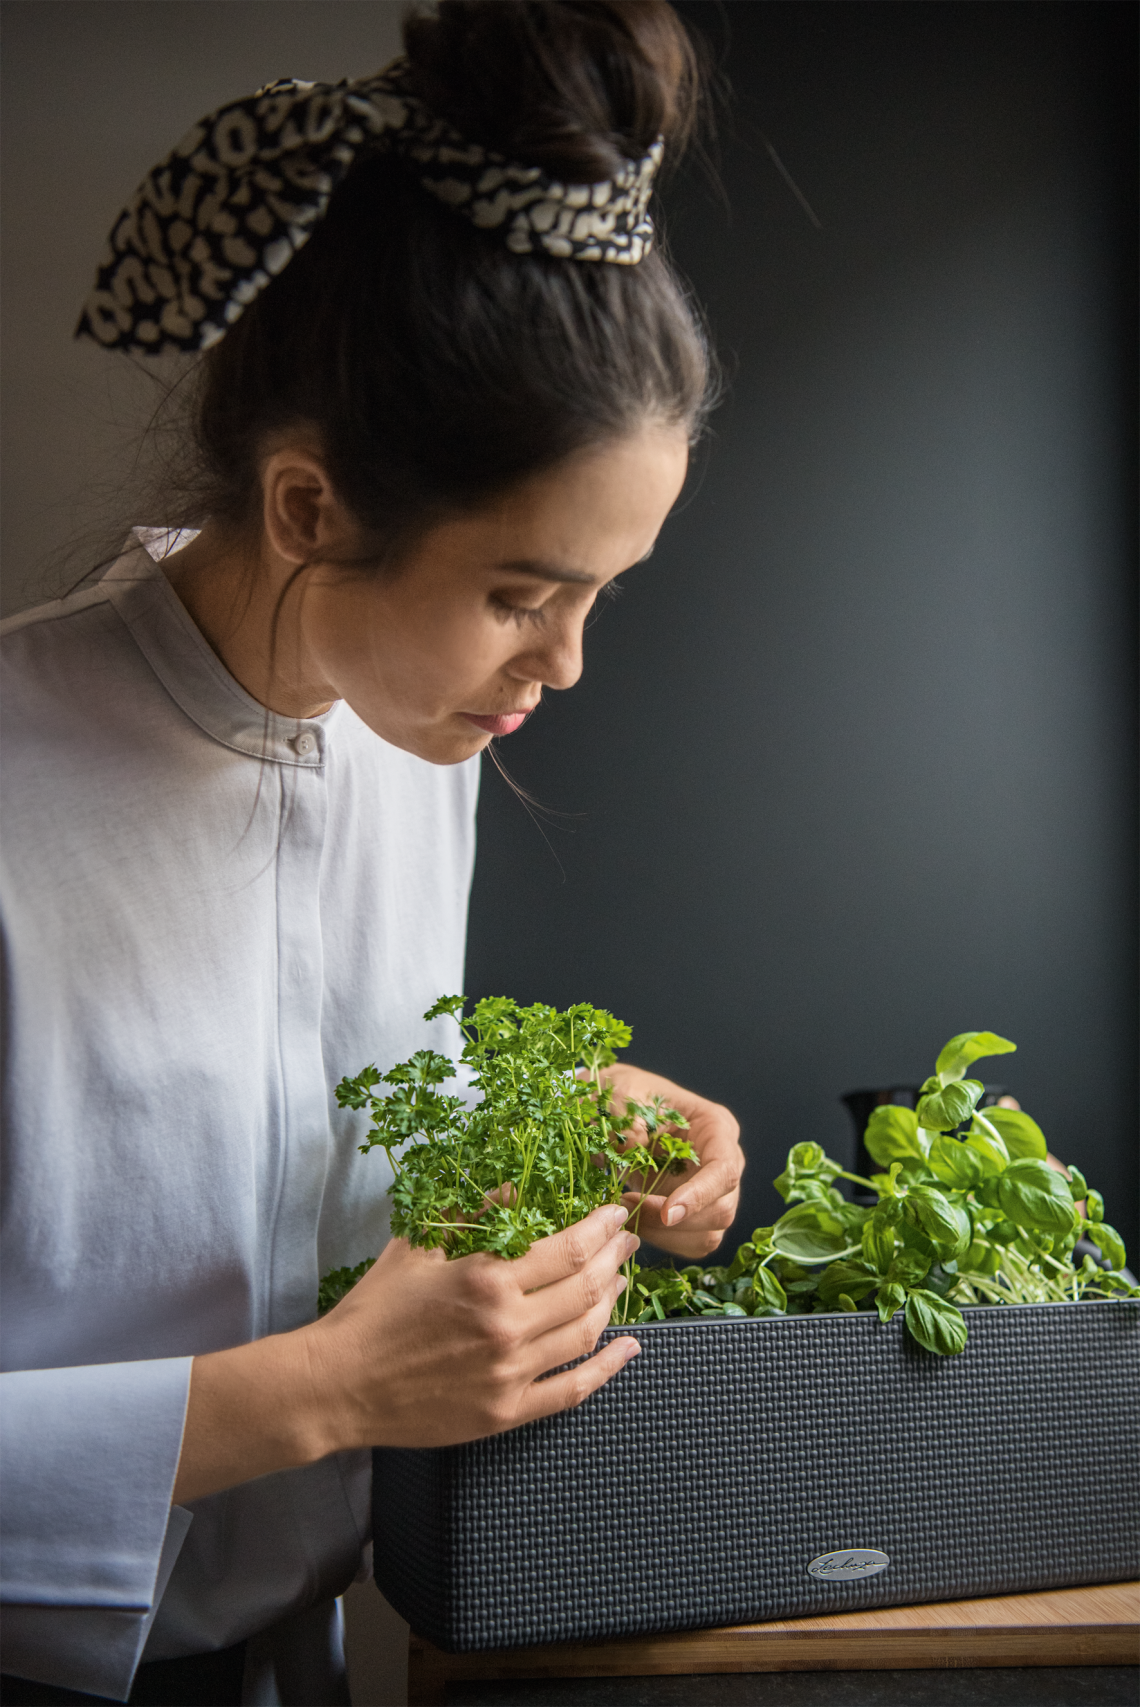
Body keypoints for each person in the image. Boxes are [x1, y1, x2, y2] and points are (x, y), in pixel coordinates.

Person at [0, 2, 744, 1700]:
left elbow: (271, 1133)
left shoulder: (417, 739)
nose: (561, 667)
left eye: (597, 596)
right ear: (309, 507)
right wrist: (329, 1390)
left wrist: (546, 1120)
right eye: (520, 594)